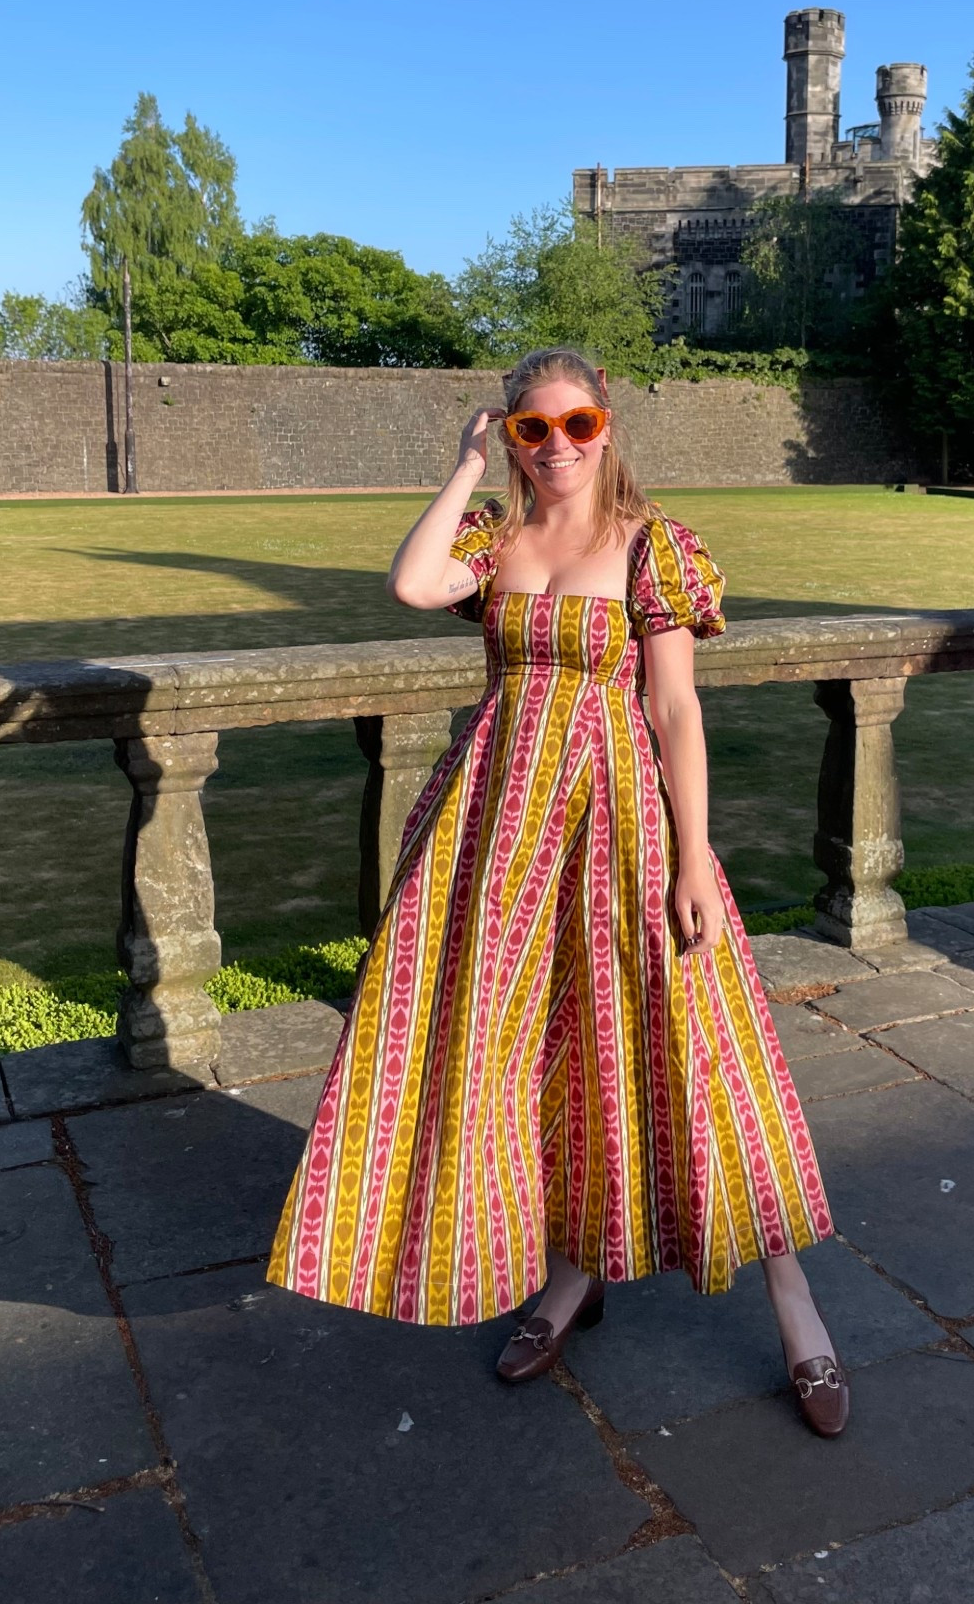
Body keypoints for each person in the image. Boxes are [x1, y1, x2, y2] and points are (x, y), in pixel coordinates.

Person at [267, 346, 848, 1436]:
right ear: (513, 437)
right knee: (534, 1052)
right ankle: (572, 1276)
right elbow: (413, 584)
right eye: (532, 428)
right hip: (496, 827)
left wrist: (692, 856)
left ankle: (795, 1308)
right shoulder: (494, 537)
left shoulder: (653, 546)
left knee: (694, 1045)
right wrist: (463, 465)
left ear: (606, 425)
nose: (558, 446)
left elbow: (674, 710)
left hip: (619, 819)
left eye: (576, 424)